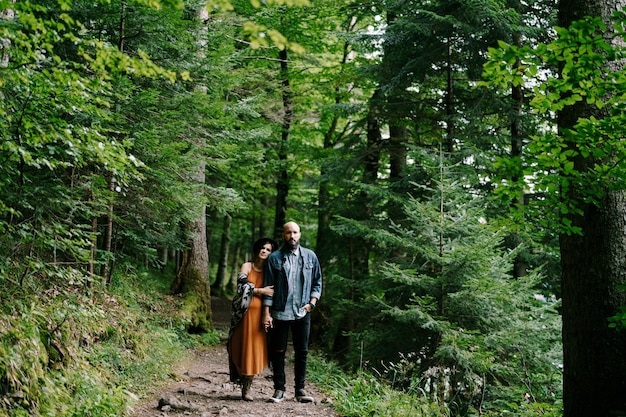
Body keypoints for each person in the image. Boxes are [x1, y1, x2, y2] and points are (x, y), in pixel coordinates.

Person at [262, 221, 323, 403]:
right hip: (280, 312)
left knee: (301, 351)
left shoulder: (310, 257)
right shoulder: (274, 258)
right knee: (278, 350)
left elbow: (317, 282)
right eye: (288, 233)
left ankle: (300, 390)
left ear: (300, 234)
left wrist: (312, 303)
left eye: (295, 232)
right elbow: (269, 287)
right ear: (283, 235)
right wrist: (267, 313)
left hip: (302, 312)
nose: (292, 236)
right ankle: (279, 389)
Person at [227, 237, 278, 401]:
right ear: (258, 249)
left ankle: (247, 387)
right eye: (263, 248)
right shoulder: (247, 266)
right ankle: (239, 377)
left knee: (254, 349)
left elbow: (272, 296)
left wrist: (267, 314)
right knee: (238, 346)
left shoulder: (270, 272)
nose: (265, 251)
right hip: (242, 314)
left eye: (269, 249)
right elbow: (241, 286)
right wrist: (261, 291)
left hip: (259, 316)